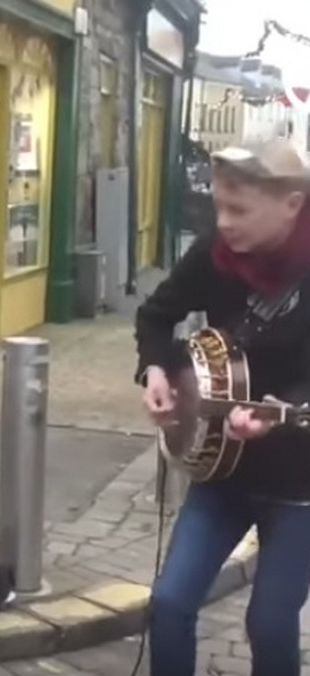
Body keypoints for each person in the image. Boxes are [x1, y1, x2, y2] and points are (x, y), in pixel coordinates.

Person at [136, 139, 310, 676]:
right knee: (168, 603)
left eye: (239, 209)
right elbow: (155, 315)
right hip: (221, 470)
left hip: (300, 486)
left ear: (292, 204)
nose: (224, 222)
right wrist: (157, 370)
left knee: (271, 624)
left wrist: (281, 412)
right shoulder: (216, 253)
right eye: (218, 207)